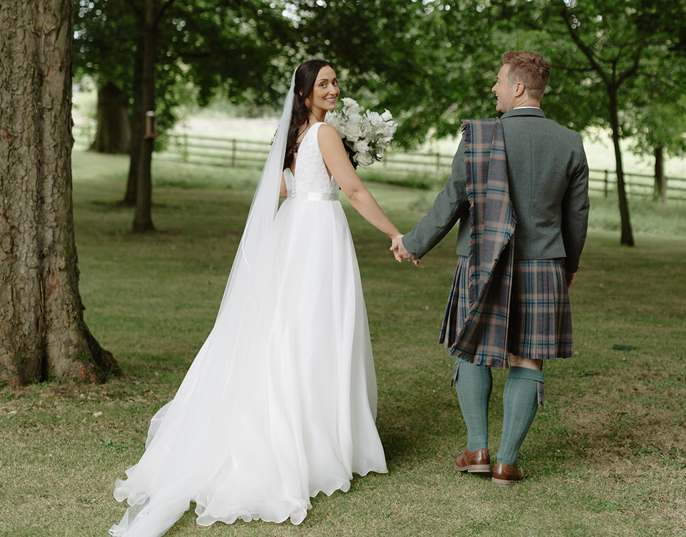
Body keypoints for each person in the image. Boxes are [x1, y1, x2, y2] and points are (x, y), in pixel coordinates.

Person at [110, 59, 405, 536]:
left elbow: (286, 186)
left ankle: (304, 430)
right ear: (305, 92)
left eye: (335, 83)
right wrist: (395, 233)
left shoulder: (296, 135)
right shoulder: (325, 135)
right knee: (316, 331)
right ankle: (314, 441)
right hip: (318, 236)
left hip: (295, 232)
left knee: (290, 331)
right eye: (323, 84)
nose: (332, 89)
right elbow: (350, 188)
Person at [391, 50, 589, 485]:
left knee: (471, 346)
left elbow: (452, 199)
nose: (493, 88)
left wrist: (413, 243)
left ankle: (477, 448)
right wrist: (568, 266)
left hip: (482, 259)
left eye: (499, 80)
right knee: (527, 358)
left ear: (518, 87)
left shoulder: (479, 136)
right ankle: (506, 461)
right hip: (543, 265)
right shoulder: (569, 142)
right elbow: (577, 216)